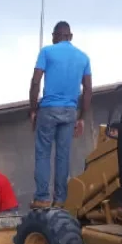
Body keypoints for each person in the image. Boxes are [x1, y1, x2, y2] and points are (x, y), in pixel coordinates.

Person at [28, 21, 92, 209]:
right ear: (70, 36)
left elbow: (35, 82)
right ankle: (60, 200)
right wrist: (81, 117)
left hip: (48, 109)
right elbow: (88, 89)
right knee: (63, 156)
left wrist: (33, 110)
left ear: (55, 36)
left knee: (43, 154)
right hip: (70, 111)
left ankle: (42, 198)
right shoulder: (83, 57)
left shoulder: (47, 52)